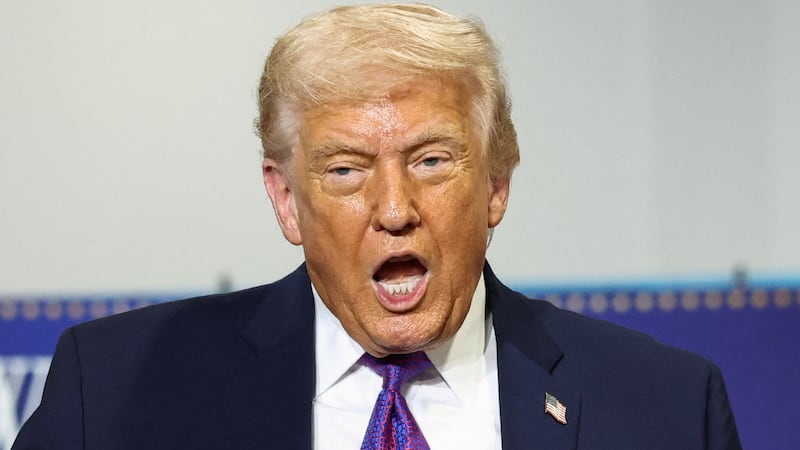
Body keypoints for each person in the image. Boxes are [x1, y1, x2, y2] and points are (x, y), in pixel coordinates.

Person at [13, 3, 741, 449]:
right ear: (286, 201)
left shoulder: (665, 405)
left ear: (496, 183)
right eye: (346, 170)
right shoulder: (114, 393)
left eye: (431, 160)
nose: (395, 210)